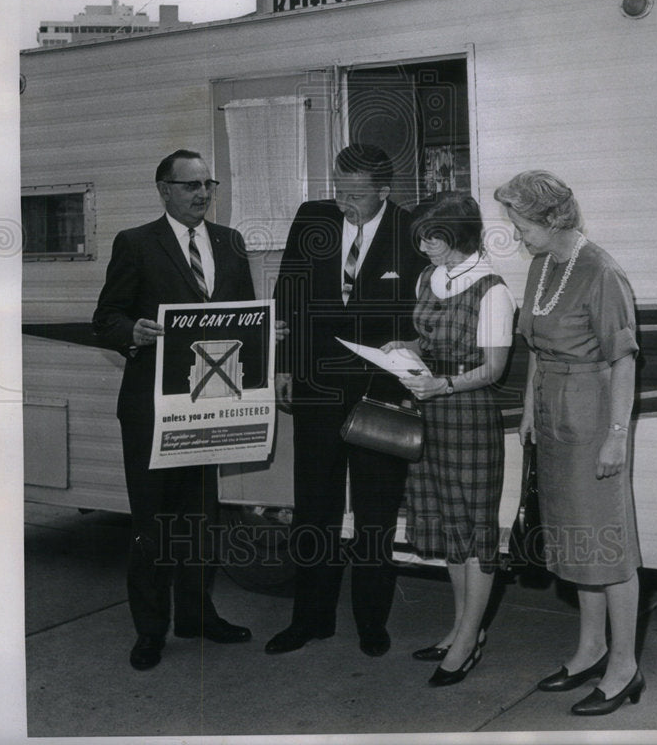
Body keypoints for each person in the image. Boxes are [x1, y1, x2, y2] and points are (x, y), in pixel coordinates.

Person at [93, 149, 262, 671]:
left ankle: (198, 616)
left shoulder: (231, 243)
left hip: (209, 408)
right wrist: (133, 333)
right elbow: (106, 318)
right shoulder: (136, 243)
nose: (202, 194)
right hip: (152, 410)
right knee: (153, 526)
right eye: (190, 186)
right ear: (164, 189)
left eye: (207, 184)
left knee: (199, 523)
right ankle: (150, 631)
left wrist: (265, 340)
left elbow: (242, 317)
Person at [266, 143, 425, 657]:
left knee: (376, 514)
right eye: (339, 189)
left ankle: (371, 623)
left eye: (356, 194)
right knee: (314, 509)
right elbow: (287, 290)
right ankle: (310, 620)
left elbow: (423, 312)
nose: (343, 202)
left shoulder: (412, 230)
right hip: (316, 387)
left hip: (381, 394)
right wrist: (284, 364)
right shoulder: (312, 218)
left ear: (384, 191)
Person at [494, 170, 643, 717]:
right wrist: (530, 411)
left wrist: (617, 437)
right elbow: (535, 345)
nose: (517, 236)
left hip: (594, 418)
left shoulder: (601, 271)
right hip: (554, 419)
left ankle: (625, 666)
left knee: (607, 543)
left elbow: (622, 358)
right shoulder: (541, 266)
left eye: (522, 225)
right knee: (574, 538)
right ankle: (590, 648)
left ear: (552, 219)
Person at [382, 193, 515, 686]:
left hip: (466, 412)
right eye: (420, 237)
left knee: (473, 527)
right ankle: (462, 626)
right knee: (444, 521)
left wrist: (444, 384)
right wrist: (407, 346)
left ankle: (467, 638)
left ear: (459, 233)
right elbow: (431, 339)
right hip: (429, 410)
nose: (424, 246)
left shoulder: (493, 289)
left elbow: (494, 369)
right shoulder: (428, 277)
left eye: (432, 237)